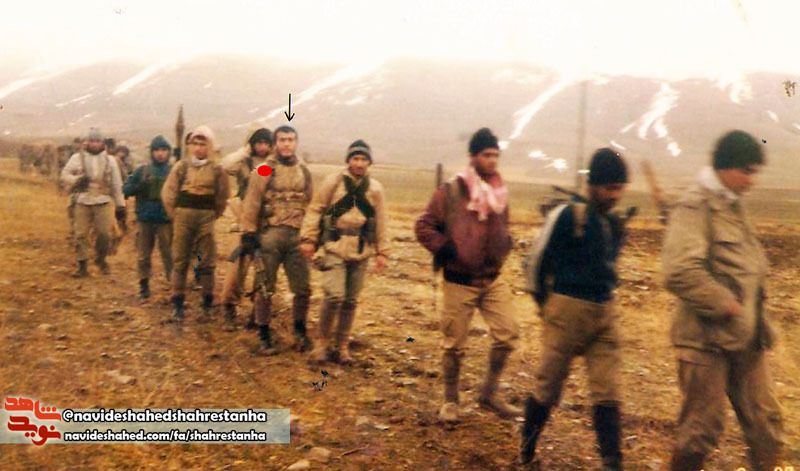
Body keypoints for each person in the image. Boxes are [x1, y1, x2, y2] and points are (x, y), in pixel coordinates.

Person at [662, 130, 783, 471]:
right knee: (701, 432)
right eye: (746, 171)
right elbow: (679, 270)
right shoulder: (695, 206)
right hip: (706, 342)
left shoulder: (733, 206)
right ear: (724, 167)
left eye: (755, 172)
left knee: (767, 426)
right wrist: (727, 305)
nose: (751, 180)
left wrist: (756, 321)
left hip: (746, 340)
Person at [519, 148, 630, 470]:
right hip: (565, 312)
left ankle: (612, 462)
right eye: (610, 188)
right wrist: (547, 308)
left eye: (620, 189)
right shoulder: (567, 216)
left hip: (605, 312)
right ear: (593, 185)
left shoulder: (612, 223)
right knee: (547, 387)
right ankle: (526, 452)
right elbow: (534, 264)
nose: (615, 195)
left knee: (608, 391)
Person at [415, 128, 521, 424]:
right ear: (473, 156)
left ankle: (488, 393)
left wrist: (505, 245)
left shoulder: (499, 191)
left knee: (508, 334)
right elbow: (423, 226)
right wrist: (445, 248)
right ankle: (450, 401)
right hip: (459, 280)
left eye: (496, 155)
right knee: (454, 345)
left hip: (492, 278)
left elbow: (504, 226)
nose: (492, 160)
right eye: (487, 155)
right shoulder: (451, 191)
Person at [299, 140, 389, 364]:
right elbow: (316, 209)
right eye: (355, 158)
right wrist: (309, 239)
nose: (359, 164)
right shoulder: (333, 182)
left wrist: (382, 251)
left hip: (361, 249)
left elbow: (381, 222)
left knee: (350, 300)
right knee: (334, 296)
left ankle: (341, 346)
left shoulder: (375, 189)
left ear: (369, 162)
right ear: (348, 160)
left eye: (363, 159)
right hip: (335, 246)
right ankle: (321, 343)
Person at [239, 125, 313, 353]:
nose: (286, 144)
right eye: (282, 140)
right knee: (265, 287)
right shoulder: (264, 169)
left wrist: (311, 235)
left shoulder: (303, 170)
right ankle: (263, 334)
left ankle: (300, 331)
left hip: (296, 236)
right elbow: (252, 200)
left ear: (296, 142)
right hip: (269, 236)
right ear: (275, 144)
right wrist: (248, 233)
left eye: (290, 139)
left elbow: (310, 203)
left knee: (302, 288)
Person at [161, 126, 230, 320]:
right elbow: (168, 193)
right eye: (195, 144)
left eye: (203, 144)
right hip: (183, 216)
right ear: (189, 146)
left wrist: (213, 215)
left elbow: (222, 196)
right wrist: (176, 215)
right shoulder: (181, 167)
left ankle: (207, 303)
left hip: (206, 216)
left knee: (206, 261)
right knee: (180, 259)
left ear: (210, 146)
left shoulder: (217, 170)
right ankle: (177, 303)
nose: (198, 148)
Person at [219, 127, 273, 326]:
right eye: (258, 143)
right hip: (245, 220)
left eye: (266, 143)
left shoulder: (273, 165)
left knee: (264, 269)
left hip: (266, 222)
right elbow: (225, 165)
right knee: (237, 267)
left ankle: (256, 313)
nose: (262, 147)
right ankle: (229, 306)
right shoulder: (244, 163)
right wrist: (244, 151)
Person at [59, 128, 126, 277]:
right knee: (81, 234)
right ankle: (82, 265)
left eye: (98, 141)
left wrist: (120, 205)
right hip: (82, 200)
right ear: (86, 142)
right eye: (92, 141)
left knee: (105, 234)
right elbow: (64, 174)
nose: (95, 144)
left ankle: (100, 259)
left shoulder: (110, 161)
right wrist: (76, 180)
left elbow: (116, 184)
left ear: (102, 143)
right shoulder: (77, 158)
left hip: (103, 200)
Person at [123, 135, 174, 299]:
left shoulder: (174, 171)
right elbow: (126, 189)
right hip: (145, 219)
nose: (160, 154)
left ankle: (174, 286)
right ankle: (144, 285)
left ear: (168, 152)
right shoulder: (142, 171)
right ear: (152, 152)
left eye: (163, 150)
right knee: (144, 255)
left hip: (166, 219)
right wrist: (140, 187)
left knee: (169, 255)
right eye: (157, 150)